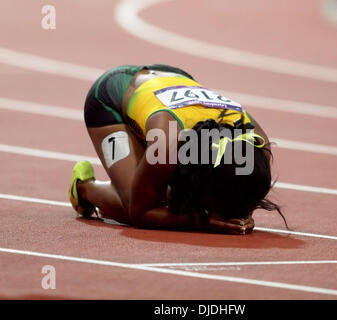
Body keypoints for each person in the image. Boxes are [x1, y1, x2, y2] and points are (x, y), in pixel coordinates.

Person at [68, 64, 286, 235]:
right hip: (111, 96)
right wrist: (201, 221)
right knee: (132, 201)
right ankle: (84, 188)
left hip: (172, 79)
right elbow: (140, 212)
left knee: (169, 197)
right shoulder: (165, 145)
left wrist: (242, 212)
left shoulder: (258, 144)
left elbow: (244, 185)